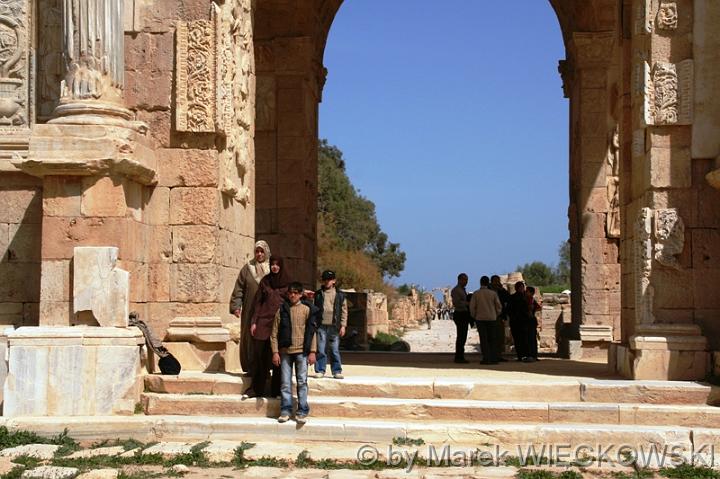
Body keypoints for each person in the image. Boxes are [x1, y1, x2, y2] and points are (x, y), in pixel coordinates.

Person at [271, 282, 318, 424]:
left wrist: (313, 352)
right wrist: (275, 352)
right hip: (285, 351)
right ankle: (285, 410)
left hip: (302, 352)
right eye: (291, 292)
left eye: (296, 292)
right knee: (285, 383)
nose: (293, 295)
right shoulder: (282, 310)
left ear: (301, 294)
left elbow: (312, 332)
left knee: (302, 382)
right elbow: (274, 333)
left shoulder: (306, 310)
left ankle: (302, 410)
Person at [245, 256, 289, 398]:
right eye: (273, 264)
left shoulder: (287, 283)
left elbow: (294, 300)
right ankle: (256, 389)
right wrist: (254, 321)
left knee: (277, 359)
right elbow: (258, 302)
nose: (275, 267)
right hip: (263, 323)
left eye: (277, 264)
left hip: (279, 325)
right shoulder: (265, 281)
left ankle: (276, 391)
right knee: (260, 357)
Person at [230, 240, 271, 373]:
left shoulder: (272, 267)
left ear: (266, 252)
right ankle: (250, 366)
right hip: (250, 309)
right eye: (257, 251)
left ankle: (267, 366)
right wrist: (236, 306)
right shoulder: (247, 268)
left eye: (261, 251)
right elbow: (239, 288)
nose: (259, 254)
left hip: (268, 309)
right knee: (249, 336)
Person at [314, 270, 348, 379]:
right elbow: (314, 309)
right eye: (325, 280)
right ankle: (320, 370)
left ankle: (336, 370)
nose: (327, 282)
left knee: (334, 349)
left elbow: (344, 311)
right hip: (321, 325)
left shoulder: (340, 294)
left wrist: (343, 325)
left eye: (329, 279)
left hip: (335, 326)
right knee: (321, 348)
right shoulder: (318, 294)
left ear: (334, 281)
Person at [469, 276, 502, 365]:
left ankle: (486, 358)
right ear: (488, 283)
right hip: (492, 318)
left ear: (480, 283)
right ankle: (494, 358)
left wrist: (474, 316)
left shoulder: (476, 294)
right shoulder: (493, 293)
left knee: (484, 339)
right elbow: (499, 307)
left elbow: (472, 307)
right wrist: (495, 315)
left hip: (480, 319)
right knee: (492, 339)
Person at [506, 281, 530, 362]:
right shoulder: (524, 298)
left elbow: (508, 310)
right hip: (522, 321)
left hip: (515, 321)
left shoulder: (511, 297)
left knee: (518, 339)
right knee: (523, 339)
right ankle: (525, 355)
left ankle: (520, 356)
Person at [490, 275, 511, 362]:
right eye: (495, 281)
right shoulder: (488, 290)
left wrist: (502, 289)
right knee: (491, 337)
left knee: (500, 337)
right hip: (490, 317)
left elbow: (508, 298)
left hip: (499, 317)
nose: (497, 283)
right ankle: (491, 355)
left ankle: (499, 355)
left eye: (498, 281)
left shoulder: (501, 291)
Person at [450, 274, 471, 363]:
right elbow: (457, 303)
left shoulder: (462, 290)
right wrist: (467, 303)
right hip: (460, 314)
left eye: (467, 280)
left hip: (464, 314)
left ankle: (460, 356)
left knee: (463, 336)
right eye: (464, 280)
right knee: (461, 336)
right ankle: (459, 357)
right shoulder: (456, 290)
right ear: (459, 280)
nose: (466, 282)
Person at [525, 286, 542, 362]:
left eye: (527, 291)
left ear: (531, 293)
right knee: (531, 338)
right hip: (531, 320)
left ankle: (531, 355)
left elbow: (538, 307)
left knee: (530, 338)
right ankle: (533, 355)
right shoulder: (531, 300)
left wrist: (531, 310)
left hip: (529, 321)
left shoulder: (529, 300)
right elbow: (538, 307)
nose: (525, 292)